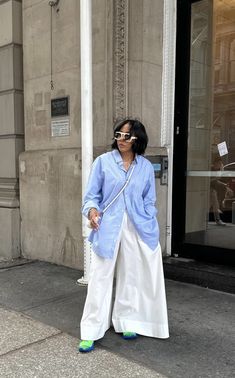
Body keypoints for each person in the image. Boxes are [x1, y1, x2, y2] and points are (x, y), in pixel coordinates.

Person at [78, 118, 169, 353]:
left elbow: (150, 199)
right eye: (118, 134)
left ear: (137, 139)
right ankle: (91, 329)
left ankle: (127, 320)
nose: (121, 140)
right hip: (107, 226)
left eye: (127, 136)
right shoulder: (103, 162)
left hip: (137, 226)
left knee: (132, 275)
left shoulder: (145, 167)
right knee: (100, 277)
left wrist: (149, 217)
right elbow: (90, 196)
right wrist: (92, 211)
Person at [210, 157, 233, 226]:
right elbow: (207, 181)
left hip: (212, 189)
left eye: (221, 164)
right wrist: (216, 178)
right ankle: (217, 219)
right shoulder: (211, 169)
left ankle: (217, 219)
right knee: (214, 203)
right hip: (207, 188)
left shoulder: (218, 170)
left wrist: (225, 185)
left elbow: (216, 181)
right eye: (219, 164)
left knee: (215, 203)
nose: (220, 165)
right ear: (215, 163)